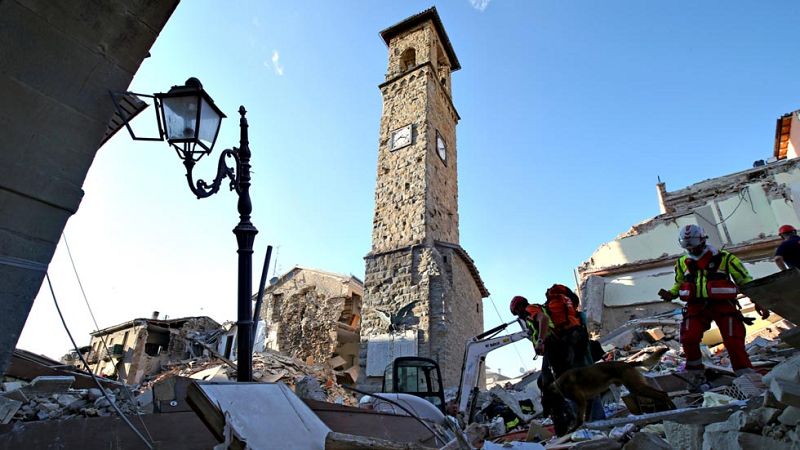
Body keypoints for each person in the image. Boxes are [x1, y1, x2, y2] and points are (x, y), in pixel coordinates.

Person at [658, 224, 769, 377]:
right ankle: (695, 373)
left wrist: (759, 301)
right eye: (688, 247)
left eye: (694, 247)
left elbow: (745, 281)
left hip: (723, 305)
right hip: (696, 306)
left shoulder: (726, 258)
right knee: (689, 338)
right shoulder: (682, 262)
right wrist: (671, 293)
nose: (691, 250)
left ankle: (745, 374)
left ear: (703, 240)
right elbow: (679, 283)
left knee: (733, 340)